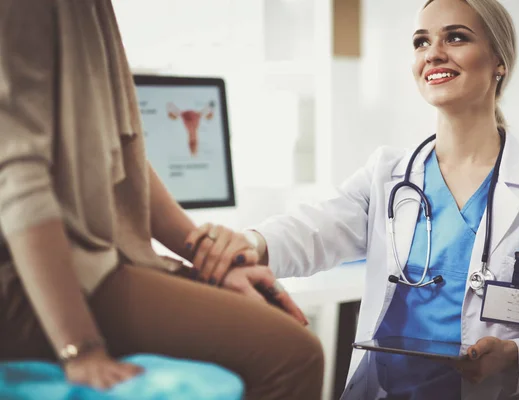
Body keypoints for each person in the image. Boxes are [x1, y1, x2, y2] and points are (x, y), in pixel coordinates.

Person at [206, 0, 519, 399]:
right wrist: (252, 243)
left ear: (500, 60)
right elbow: (317, 229)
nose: (433, 53)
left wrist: (516, 354)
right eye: (420, 42)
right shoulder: (387, 175)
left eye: (456, 37)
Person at [0, 1, 323, 400]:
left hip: (97, 258)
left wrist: (210, 257)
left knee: (275, 319)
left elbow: (120, 153)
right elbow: (17, 181)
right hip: (31, 272)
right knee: (293, 355)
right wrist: (81, 349)